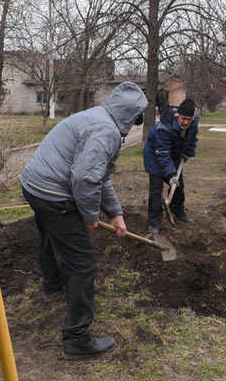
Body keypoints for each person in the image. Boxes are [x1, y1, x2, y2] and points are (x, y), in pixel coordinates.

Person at [20, 82, 147, 361]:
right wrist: (90, 217)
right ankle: (77, 338)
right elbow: (85, 179)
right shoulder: (106, 131)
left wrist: (115, 213)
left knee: (51, 236)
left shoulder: (98, 117)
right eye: (137, 120)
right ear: (130, 117)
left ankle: (53, 286)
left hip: (34, 185)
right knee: (82, 262)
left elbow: (98, 176)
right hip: (53, 194)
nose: (136, 126)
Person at [143, 97, 199, 233]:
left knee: (179, 186)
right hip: (155, 156)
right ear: (178, 116)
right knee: (156, 190)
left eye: (189, 120)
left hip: (173, 156)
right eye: (183, 119)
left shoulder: (192, 124)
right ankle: (154, 222)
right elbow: (162, 154)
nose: (186, 122)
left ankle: (177, 210)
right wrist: (170, 174)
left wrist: (188, 152)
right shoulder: (164, 128)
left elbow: (193, 138)